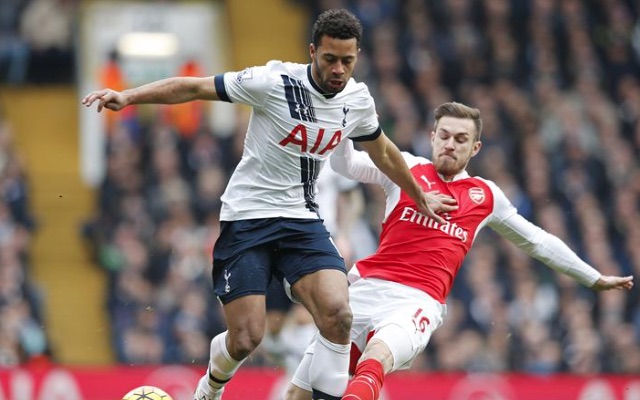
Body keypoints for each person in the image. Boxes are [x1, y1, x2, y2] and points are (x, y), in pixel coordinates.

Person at [82, 9, 456, 400]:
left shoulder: (357, 100)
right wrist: (127, 96)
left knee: (338, 314)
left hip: (302, 220)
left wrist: (418, 193)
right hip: (248, 217)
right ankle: (209, 388)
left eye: (348, 60)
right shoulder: (272, 81)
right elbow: (193, 87)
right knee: (246, 338)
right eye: (330, 59)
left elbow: (382, 150)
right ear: (313, 51)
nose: (338, 70)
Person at [284, 102, 635, 400]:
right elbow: (346, 165)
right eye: (445, 136)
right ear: (432, 136)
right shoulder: (406, 168)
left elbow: (538, 241)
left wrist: (593, 278)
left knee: (377, 357)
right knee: (297, 393)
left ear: (475, 148)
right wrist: (347, 116)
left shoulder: (486, 196)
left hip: (417, 302)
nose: (451, 145)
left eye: (461, 139)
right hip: (362, 288)